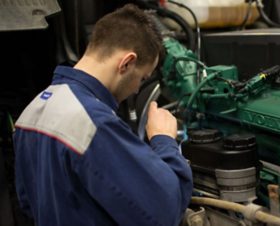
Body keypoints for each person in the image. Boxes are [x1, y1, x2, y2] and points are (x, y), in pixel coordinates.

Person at [13, 4, 193, 226]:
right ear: (127, 63)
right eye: (143, 78)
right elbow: (164, 211)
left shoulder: (31, 111)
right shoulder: (94, 123)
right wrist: (164, 140)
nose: (137, 89)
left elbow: (27, 203)